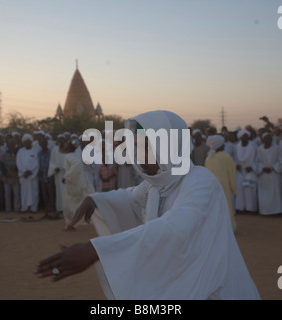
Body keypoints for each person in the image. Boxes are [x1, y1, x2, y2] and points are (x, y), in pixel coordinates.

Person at [35, 110, 260, 300]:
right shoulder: (156, 183)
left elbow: (179, 225)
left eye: (146, 147)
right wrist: (97, 199)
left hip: (212, 288)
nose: (137, 155)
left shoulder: (200, 180)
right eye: (134, 146)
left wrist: (98, 250)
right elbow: (131, 197)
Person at [204, 134, 237, 232]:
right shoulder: (226, 156)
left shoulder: (208, 158)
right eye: (223, 144)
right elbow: (232, 172)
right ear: (219, 145)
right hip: (224, 186)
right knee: (226, 206)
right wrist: (233, 187)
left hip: (212, 187)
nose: (225, 146)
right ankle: (229, 227)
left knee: (214, 207)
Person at [62, 138, 95, 229]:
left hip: (74, 182)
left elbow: (78, 164)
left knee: (71, 203)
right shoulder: (75, 154)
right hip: (79, 181)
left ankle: (73, 222)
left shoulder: (69, 156)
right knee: (79, 201)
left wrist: (67, 176)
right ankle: (80, 221)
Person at [256, 132, 282, 215]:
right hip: (263, 174)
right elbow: (257, 161)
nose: (268, 140)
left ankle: (276, 210)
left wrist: (272, 167)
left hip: (274, 173)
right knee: (264, 193)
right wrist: (263, 168)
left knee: (275, 193)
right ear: (263, 140)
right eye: (266, 138)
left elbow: (280, 160)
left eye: (269, 138)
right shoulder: (259, 149)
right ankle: (264, 210)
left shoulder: (277, 148)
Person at [234, 130, 258, 213]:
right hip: (240, 171)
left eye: (246, 136)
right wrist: (237, 165)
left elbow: (257, 159)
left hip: (250, 170)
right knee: (240, 189)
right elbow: (235, 159)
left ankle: (251, 209)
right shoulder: (236, 147)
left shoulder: (253, 146)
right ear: (240, 137)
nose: (245, 137)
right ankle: (241, 208)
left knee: (250, 190)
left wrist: (252, 167)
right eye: (243, 136)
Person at [16, 134, 39, 213]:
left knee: (34, 193)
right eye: (26, 142)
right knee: (24, 193)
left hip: (32, 176)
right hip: (24, 176)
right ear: (24, 142)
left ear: (31, 142)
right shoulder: (20, 151)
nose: (27, 143)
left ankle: (33, 208)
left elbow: (37, 163)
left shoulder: (35, 150)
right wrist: (24, 172)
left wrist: (30, 172)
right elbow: (19, 163)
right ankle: (24, 208)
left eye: (29, 141)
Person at [48, 134, 66, 214]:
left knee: (67, 191)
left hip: (67, 174)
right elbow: (51, 161)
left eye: (63, 139)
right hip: (58, 174)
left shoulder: (68, 149)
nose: (61, 141)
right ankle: (60, 208)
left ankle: (67, 209)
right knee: (59, 191)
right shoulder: (54, 149)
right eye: (60, 139)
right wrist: (55, 168)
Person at [0, 138, 20, 212]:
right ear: (7, 145)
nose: (11, 146)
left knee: (16, 194)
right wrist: (5, 173)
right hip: (7, 177)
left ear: (15, 145)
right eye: (9, 144)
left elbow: (21, 164)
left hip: (16, 177)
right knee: (7, 194)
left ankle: (17, 208)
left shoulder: (18, 154)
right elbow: (1, 165)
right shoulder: (4, 155)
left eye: (12, 144)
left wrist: (16, 168)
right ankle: (8, 209)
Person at [38, 138, 56, 215]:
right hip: (42, 176)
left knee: (51, 193)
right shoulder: (39, 153)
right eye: (42, 144)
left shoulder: (51, 153)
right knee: (44, 194)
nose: (43, 145)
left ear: (47, 144)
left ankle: (52, 208)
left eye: (44, 144)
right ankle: (46, 208)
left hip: (49, 176)